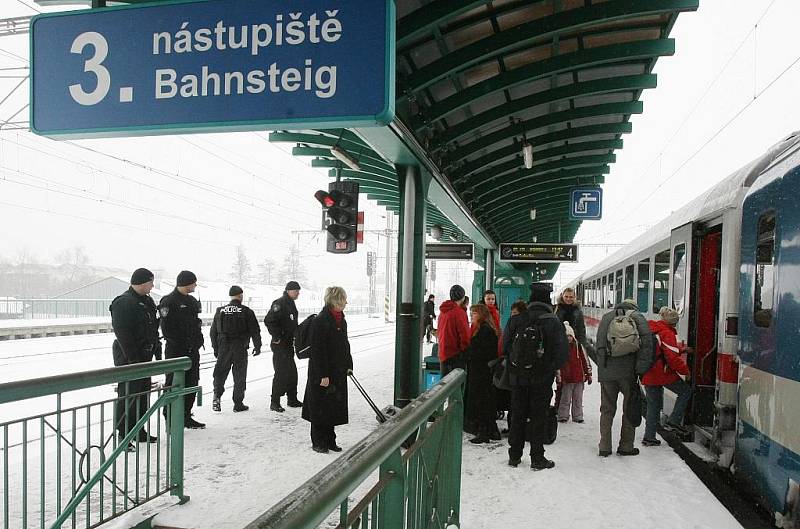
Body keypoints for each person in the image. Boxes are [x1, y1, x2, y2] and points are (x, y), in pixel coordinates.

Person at [502, 282, 568, 470]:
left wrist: (517, 366)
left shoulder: (516, 319)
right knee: (539, 417)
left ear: (531, 298)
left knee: (517, 415)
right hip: (542, 380)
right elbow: (562, 355)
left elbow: (505, 347)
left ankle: (514, 456)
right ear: (548, 300)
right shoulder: (553, 321)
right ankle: (537, 458)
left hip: (518, 378)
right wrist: (547, 368)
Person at [587, 298, 654, 456]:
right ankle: (626, 446)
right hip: (629, 372)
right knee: (629, 407)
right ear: (634, 307)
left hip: (608, 372)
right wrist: (641, 370)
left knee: (607, 409)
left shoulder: (607, 317)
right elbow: (647, 346)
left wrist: (603, 369)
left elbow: (600, 345)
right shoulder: (638, 318)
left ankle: (604, 447)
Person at [110, 268, 161, 447]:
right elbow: (122, 333)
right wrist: (133, 359)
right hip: (129, 356)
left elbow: (153, 328)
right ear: (141, 282)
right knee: (128, 394)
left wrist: (157, 350)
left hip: (145, 355)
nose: (152, 286)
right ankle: (124, 433)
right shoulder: (123, 302)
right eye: (150, 282)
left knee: (143, 393)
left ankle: (139, 429)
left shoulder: (147, 301)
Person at [301, 286, 353, 454]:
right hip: (322, 372)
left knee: (332, 406)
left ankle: (330, 440)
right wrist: (322, 375)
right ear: (336, 300)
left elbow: (345, 344)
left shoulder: (340, 319)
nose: (346, 302)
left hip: (337, 371)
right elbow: (317, 350)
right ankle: (318, 441)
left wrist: (348, 364)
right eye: (344, 299)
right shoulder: (321, 320)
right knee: (319, 407)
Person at [158, 270, 205, 429]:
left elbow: (196, 323)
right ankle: (170, 419)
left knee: (192, 383)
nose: (195, 285)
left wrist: (198, 341)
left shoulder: (191, 301)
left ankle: (186, 415)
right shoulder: (169, 301)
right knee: (174, 384)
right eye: (193, 282)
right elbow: (167, 329)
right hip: (176, 351)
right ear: (186, 283)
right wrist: (183, 343)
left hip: (193, 350)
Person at [641, 307, 692, 446]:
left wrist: (681, 349)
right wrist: (686, 371)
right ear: (673, 323)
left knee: (653, 406)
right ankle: (674, 420)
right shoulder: (667, 333)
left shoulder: (654, 328)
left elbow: (662, 350)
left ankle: (649, 437)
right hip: (662, 374)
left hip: (649, 372)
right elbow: (672, 358)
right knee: (685, 391)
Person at [210, 286, 262, 413]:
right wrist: (257, 346)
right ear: (240, 296)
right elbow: (255, 330)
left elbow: (213, 332)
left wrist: (216, 348)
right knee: (239, 375)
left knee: (220, 373)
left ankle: (217, 396)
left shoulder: (220, 311)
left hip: (224, 346)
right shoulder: (246, 311)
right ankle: (238, 403)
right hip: (240, 347)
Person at [264, 280, 303, 412]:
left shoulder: (291, 303)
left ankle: (292, 398)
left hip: (288, 344)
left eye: (298, 291)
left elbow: (291, 323)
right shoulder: (279, 303)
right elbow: (269, 320)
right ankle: (274, 402)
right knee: (281, 373)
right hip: (280, 344)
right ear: (288, 291)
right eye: (296, 291)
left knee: (292, 372)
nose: (298, 293)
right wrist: (277, 337)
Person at [465, 303, 500, 444]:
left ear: (481, 314)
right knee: (487, 401)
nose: (471, 315)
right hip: (483, 370)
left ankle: (483, 432)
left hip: (480, 371)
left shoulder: (484, 330)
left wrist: (468, 353)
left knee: (481, 402)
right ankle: (492, 430)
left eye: (474, 313)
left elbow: (482, 352)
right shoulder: (486, 328)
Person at [557, 322, 592, 423]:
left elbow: (585, 361)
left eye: (570, 336)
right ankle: (563, 415)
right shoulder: (561, 349)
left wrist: (588, 374)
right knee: (565, 399)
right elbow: (558, 365)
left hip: (579, 378)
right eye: (566, 336)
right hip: (567, 379)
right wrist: (559, 378)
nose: (568, 338)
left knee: (578, 399)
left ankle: (578, 416)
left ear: (573, 336)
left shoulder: (579, 347)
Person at [437, 285, 471, 377]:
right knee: (456, 385)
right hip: (455, 355)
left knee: (445, 385)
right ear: (463, 297)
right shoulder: (459, 312)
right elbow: (465, 335)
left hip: (443, 354)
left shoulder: (443, 312)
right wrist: (465, 352)